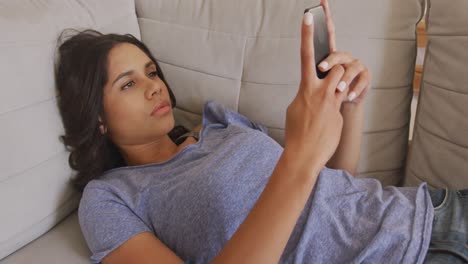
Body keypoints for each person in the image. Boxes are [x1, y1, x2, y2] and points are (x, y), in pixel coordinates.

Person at [54, 1, 467, 263]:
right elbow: (300, 176)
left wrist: (349, 106)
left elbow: (334, 189)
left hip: (432, 208)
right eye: (127, 83)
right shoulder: (110, 198)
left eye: (151, 71)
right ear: (98, 118)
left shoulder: (221, 124)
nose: (154, 86)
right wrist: (300, 159)